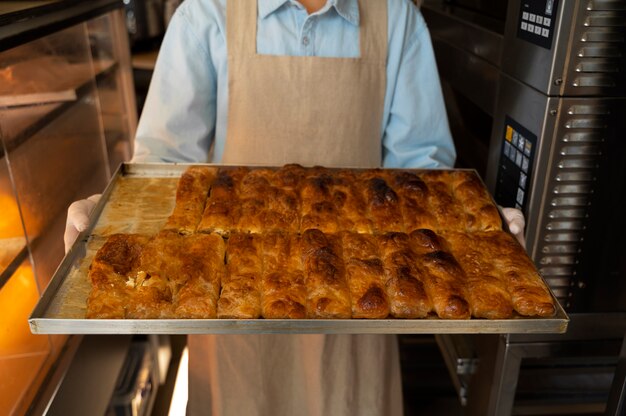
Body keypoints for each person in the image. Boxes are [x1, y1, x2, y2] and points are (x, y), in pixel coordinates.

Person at [65, 0, 525, 414]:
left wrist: (478, 238)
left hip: (360, 311)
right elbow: (161, 171)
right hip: (232, 311)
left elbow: (420, 173)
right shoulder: (207, 14)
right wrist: (108, 214)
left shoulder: (396, 18)